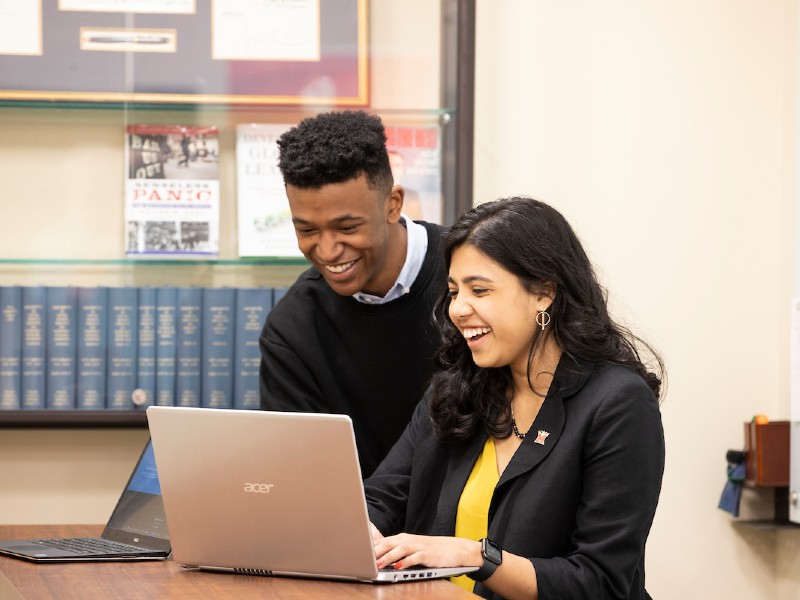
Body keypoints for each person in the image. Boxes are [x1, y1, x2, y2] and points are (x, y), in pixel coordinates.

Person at [364, 197, 665, 600]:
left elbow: (599, 582)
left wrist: (475, 557)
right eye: (454, 291)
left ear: (544, 293)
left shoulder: (618, 404)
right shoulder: (455, 388)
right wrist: (358, 528)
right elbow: (381, 498)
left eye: (479, 290)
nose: (458, 309)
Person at [259, 111, 447, 477]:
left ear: (392, 204)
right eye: (307, 230)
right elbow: (300, 473)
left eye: (347, 227)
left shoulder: (474, 281)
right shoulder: (291, 330)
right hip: (361, 527)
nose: (327, 251)